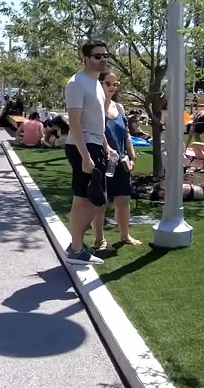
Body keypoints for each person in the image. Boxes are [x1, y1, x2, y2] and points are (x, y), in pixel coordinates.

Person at [63, 40, 115, 266]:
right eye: (97, 56)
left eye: (105, 55)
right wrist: (86, 156)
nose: (102, 59)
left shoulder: (96, 84)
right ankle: (76, 246)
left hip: (94, 144)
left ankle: (75, 246)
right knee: (96, 199)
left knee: (81, 200)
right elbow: (74, 122)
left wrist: (105, 144)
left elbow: (97, 121)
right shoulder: (77, 83)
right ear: (84, 58)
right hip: (82, 146)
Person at [92, 70, 142, 249]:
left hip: (121, 161)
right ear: (99, 84)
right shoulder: (95, 108)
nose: (112, 87)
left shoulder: (119, 108)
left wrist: (132, 154)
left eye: (115, 84)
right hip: (103, 162)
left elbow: (126, 135)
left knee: (124, 199)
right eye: (108, 83)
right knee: (101, 202)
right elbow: (96, 133)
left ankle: (125, 235)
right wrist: (108, 149)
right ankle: (99, 240)